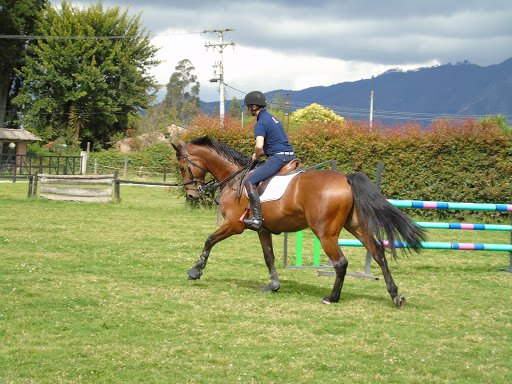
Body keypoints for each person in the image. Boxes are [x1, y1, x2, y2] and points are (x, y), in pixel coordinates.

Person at [243, 91, 295, 230]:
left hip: (279, 158)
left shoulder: (260, 123)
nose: (248, 110)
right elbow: (275, 142)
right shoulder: (273, 118)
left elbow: (259, 145)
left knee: (249, 181)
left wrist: (257, 155)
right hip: (290, 155)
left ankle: (257, 218)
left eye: (248, 107)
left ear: (253, 107)